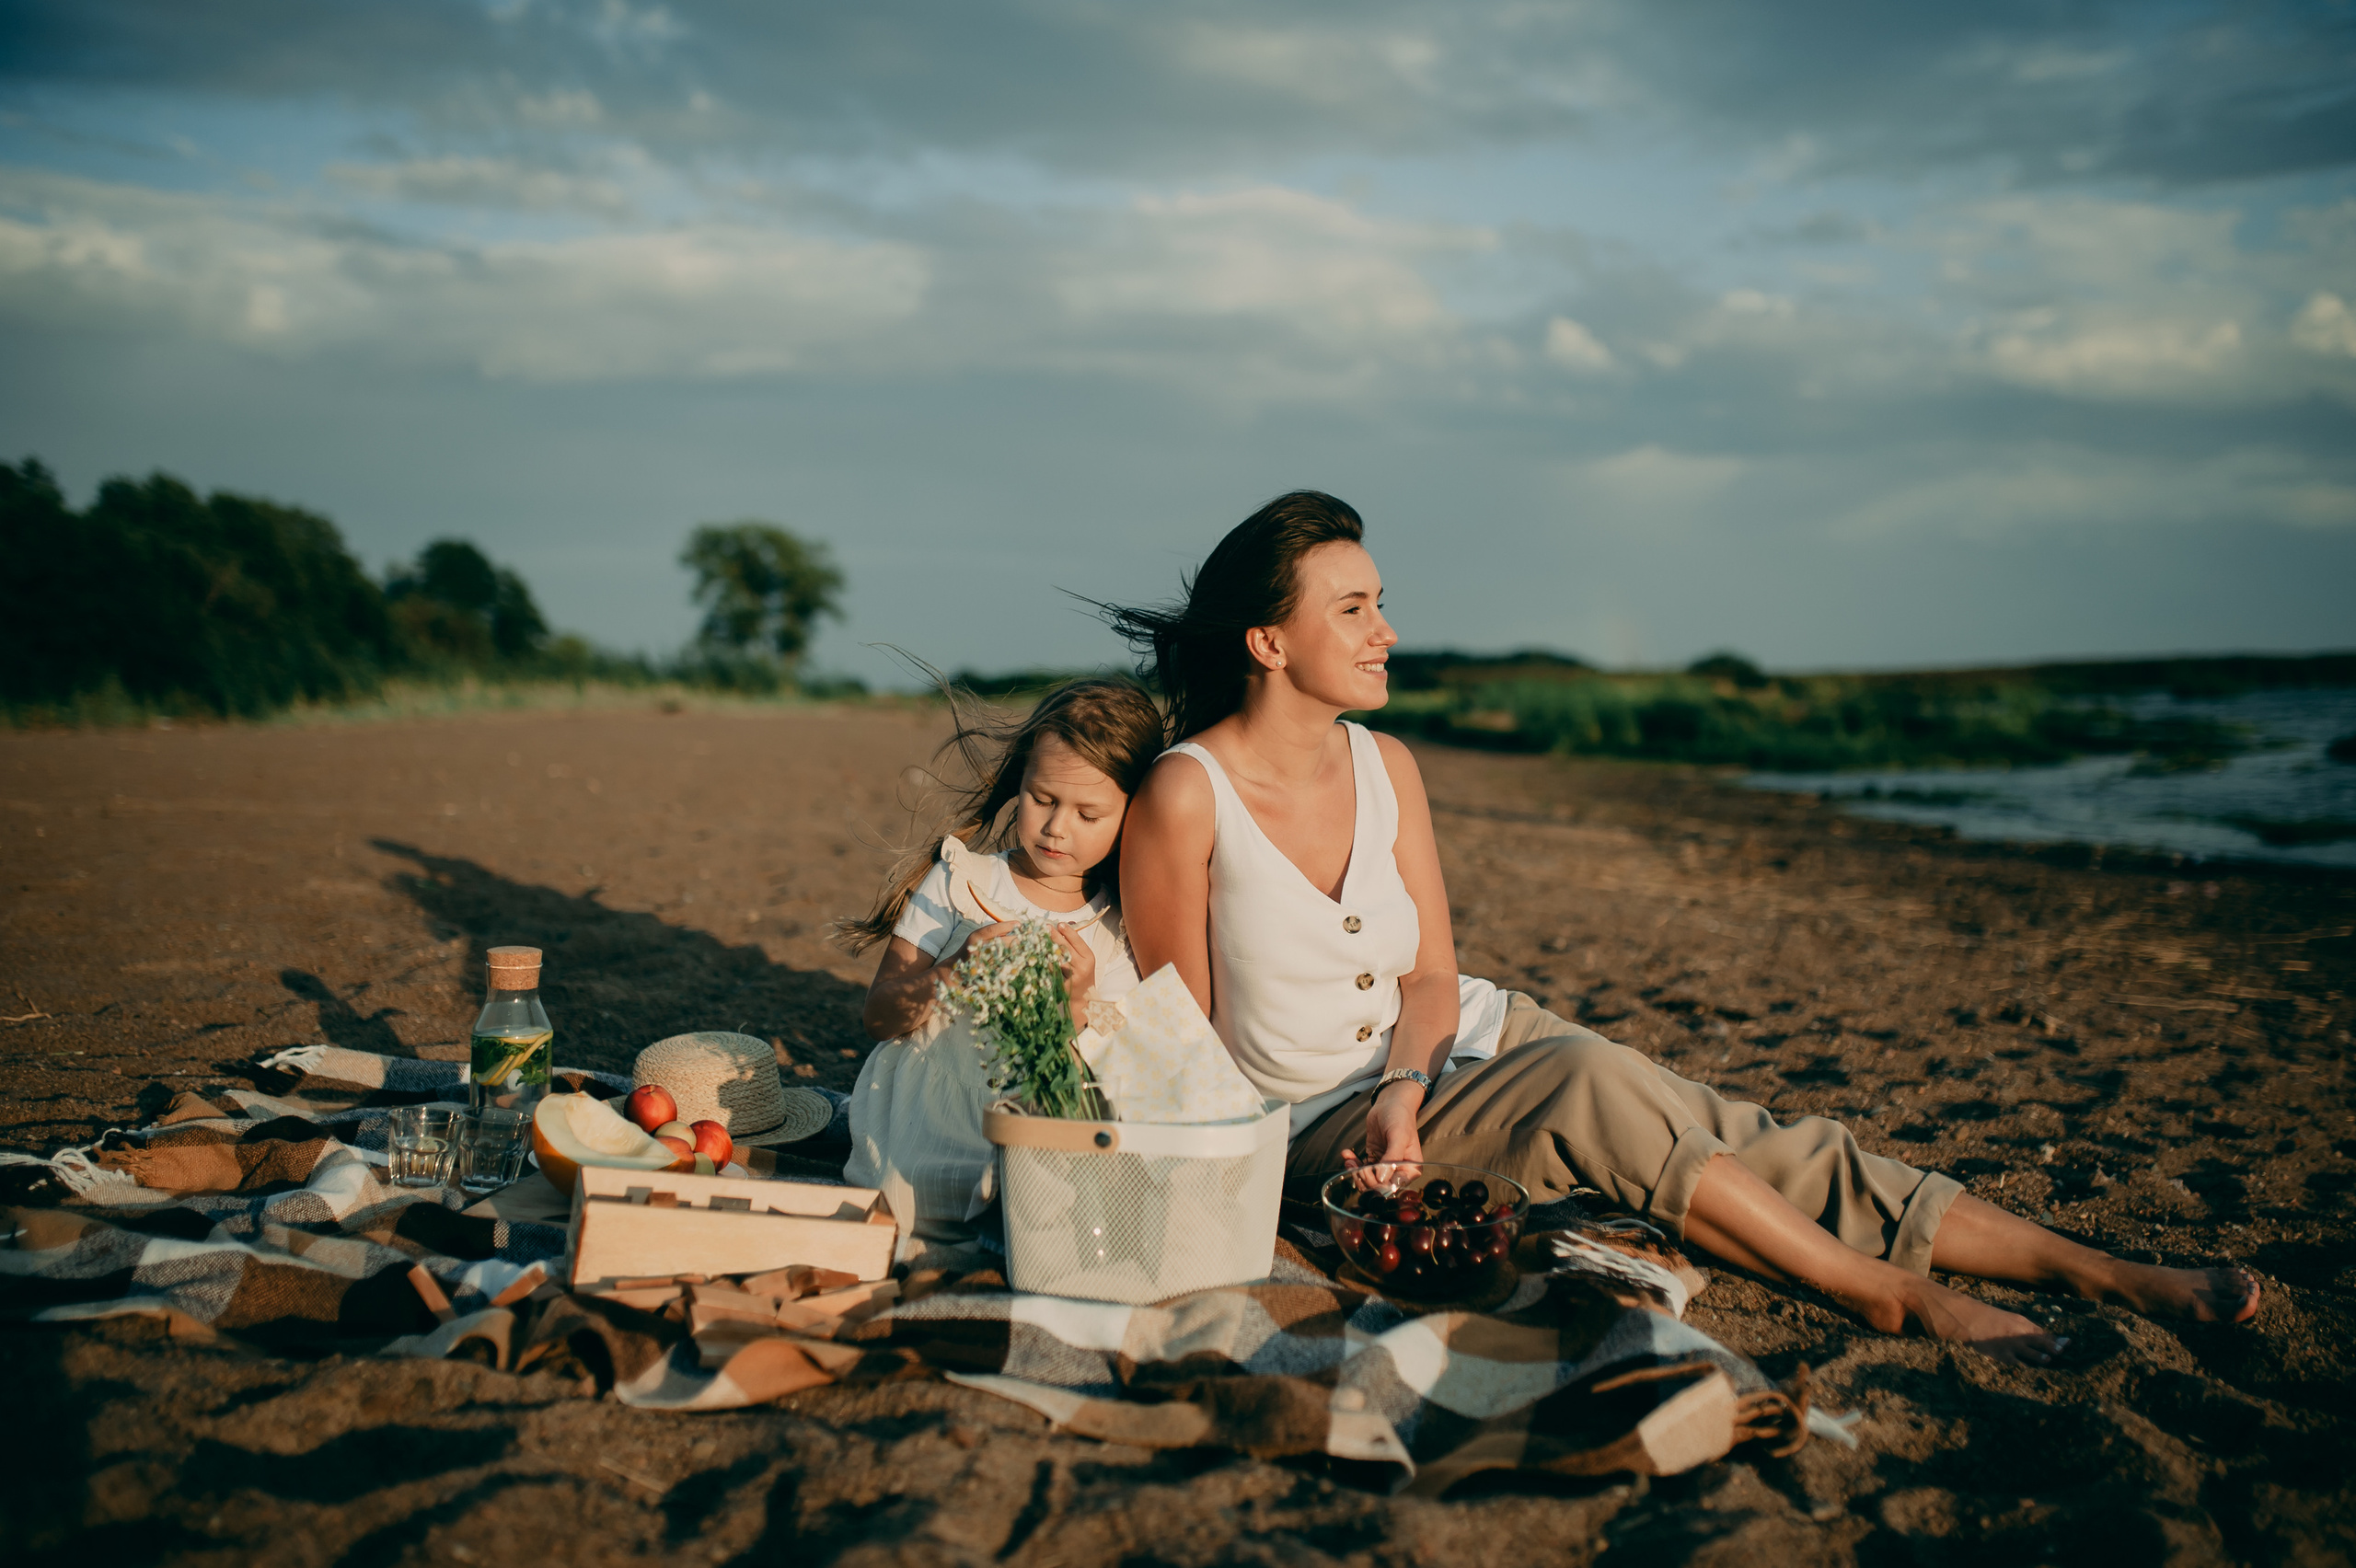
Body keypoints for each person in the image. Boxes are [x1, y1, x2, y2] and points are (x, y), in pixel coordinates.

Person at [1107, 490, 2258, 1362]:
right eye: (1352, 609)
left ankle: (2095, 1266)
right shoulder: (1185, 795)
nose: (1387, 631)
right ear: (1267, 642)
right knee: (1590, 1082)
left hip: (1446, 1050)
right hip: (1322, 1127)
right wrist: (1352, 1148)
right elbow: (1187, 1051)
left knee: (1737, 1132)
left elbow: (1434, 974)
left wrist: (1411, 1083)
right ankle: (1880, 1290)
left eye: (1377, 603)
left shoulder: (1387, 764)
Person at [836, 677, 1162, 1257]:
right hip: (927, 1122)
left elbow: (1125, 1060)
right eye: (1043, 799)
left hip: (1037, 1138)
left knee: (1044, 1242)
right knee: (900, 1235)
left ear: (1131, 815)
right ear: (1020, 783)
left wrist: (1080, 1004)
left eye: (1089, 813)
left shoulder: (1118, 923)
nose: (1058, 827)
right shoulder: (962, 883)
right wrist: (954, 970)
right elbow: (880, 1017)